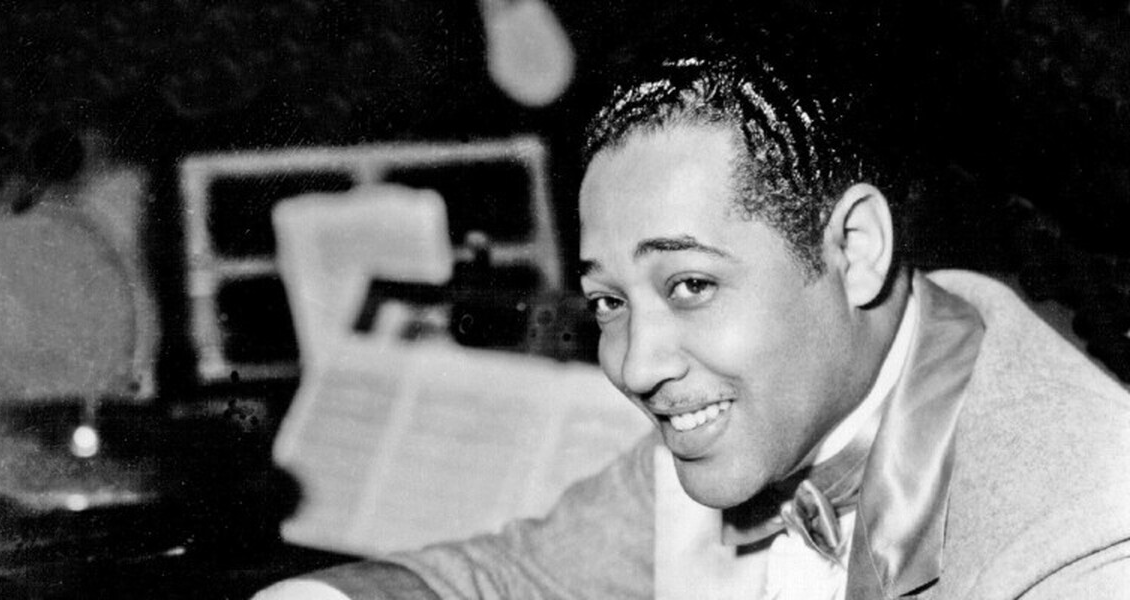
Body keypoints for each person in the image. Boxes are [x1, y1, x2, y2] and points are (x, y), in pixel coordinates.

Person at [257, 30, 1130, 600]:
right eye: (609, 302)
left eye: (690, 286)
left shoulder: (1087, 542)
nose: (636, 367)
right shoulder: (761, 417)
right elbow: (512, 576)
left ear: (856, 249)